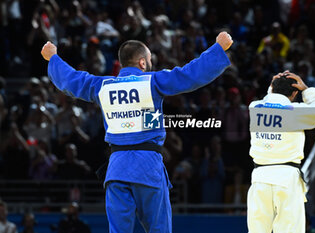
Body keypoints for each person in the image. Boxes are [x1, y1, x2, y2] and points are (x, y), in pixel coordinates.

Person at [41, 32, 233, 233]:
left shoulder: (103, 86)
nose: (150, 64)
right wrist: (217, 49)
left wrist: (53, 58)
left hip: (116, 170)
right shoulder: (151, 82)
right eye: (149, 60)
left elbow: (73, 81)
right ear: (142, 63)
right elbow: (188, 75)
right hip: (147, 167)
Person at [247, 71, 315, 233]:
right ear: (294, 93)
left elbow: (268, 101)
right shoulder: (295, 111)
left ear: (272, 88)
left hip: (260, 178)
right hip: (286, 179)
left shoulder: (255, 107)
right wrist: (306, 89)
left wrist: (273, 87)